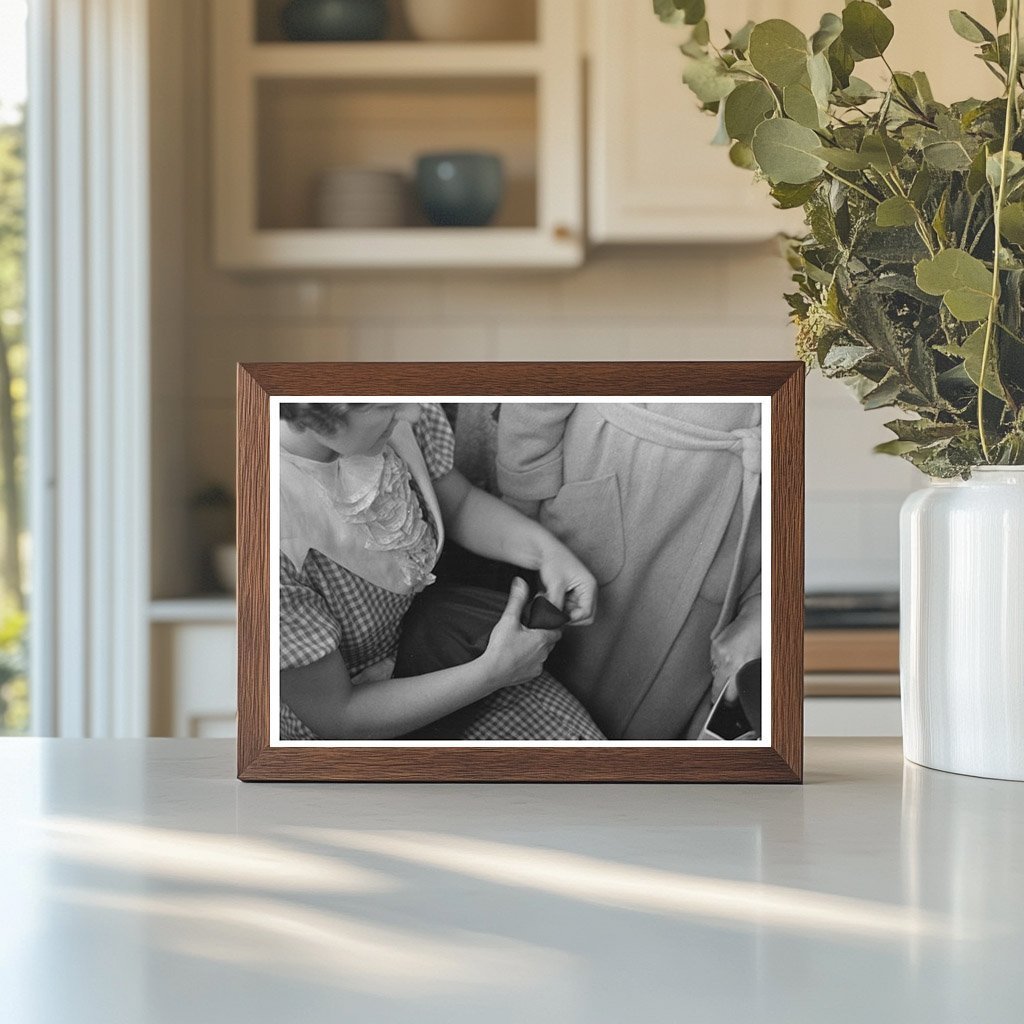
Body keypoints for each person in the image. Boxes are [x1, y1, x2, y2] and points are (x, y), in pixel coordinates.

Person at [277, 401, 604, 741]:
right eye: (383, 405)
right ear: (309, 415)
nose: (416, 412)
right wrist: (492, 673)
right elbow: (339, 717)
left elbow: (459, 505)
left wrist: (546, 552)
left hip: (432, 645)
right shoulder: (272, 538)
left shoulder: (400, 419)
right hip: (361, 719)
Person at [496, 401, 762, 740]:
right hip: (609, 482)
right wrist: (522, 508)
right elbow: (543, 382)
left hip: (739, 533)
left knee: (662, 730)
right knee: (542, 696)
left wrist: (763, 605)